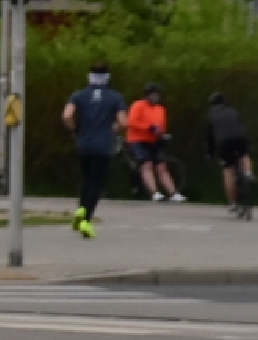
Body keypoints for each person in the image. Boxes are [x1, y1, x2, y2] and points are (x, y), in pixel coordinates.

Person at [62, 62, 128, 239]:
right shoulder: (115, 97)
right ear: (108, 77)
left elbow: (67, 115)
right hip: (104, 145)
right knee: (96, 183)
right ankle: (86, 219)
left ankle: (81, 210)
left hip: (84, 143)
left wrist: (75, 129)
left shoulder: (79, 95)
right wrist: (114, 128)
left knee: (86, 180)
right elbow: (123, 122)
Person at [125, 82, 181, 202]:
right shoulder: (138, 105)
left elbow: (162, 125)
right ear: (147, 96)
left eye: (157, 95)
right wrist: (149, 127)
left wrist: (162, 134)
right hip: (138, 140)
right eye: (153, 95)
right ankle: (154, 192)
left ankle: (174, 193)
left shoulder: (161, 109)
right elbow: (132, 122)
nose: (156, 98)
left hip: (154, 140)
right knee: (147, 164)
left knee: (162, 166)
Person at [205, 91, 254, 217]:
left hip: (223, 142)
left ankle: (233, 202)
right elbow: (241, 124)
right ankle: (248, 174)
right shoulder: (232, 110)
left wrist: (210, 153)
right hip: (241, 138)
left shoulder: (211, 115)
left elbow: (210, 138)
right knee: (244, 155)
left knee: (228, 170)